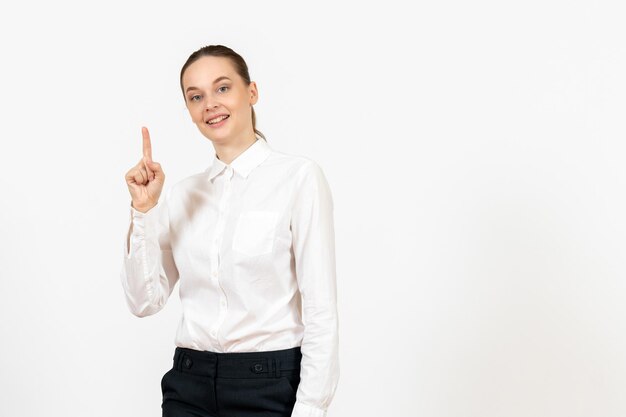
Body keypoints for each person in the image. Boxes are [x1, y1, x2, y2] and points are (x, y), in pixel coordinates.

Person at [120, 44, 339, 417]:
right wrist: (144, 211)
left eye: (222, 88)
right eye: (196, 96)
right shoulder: (183, 193)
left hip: (269, 385)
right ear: (188, 110)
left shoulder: (298, 178)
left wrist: (310, 407)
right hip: (189, 382)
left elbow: (320, 308)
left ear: (251, 92)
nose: (210, 104)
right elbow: (145, 301)